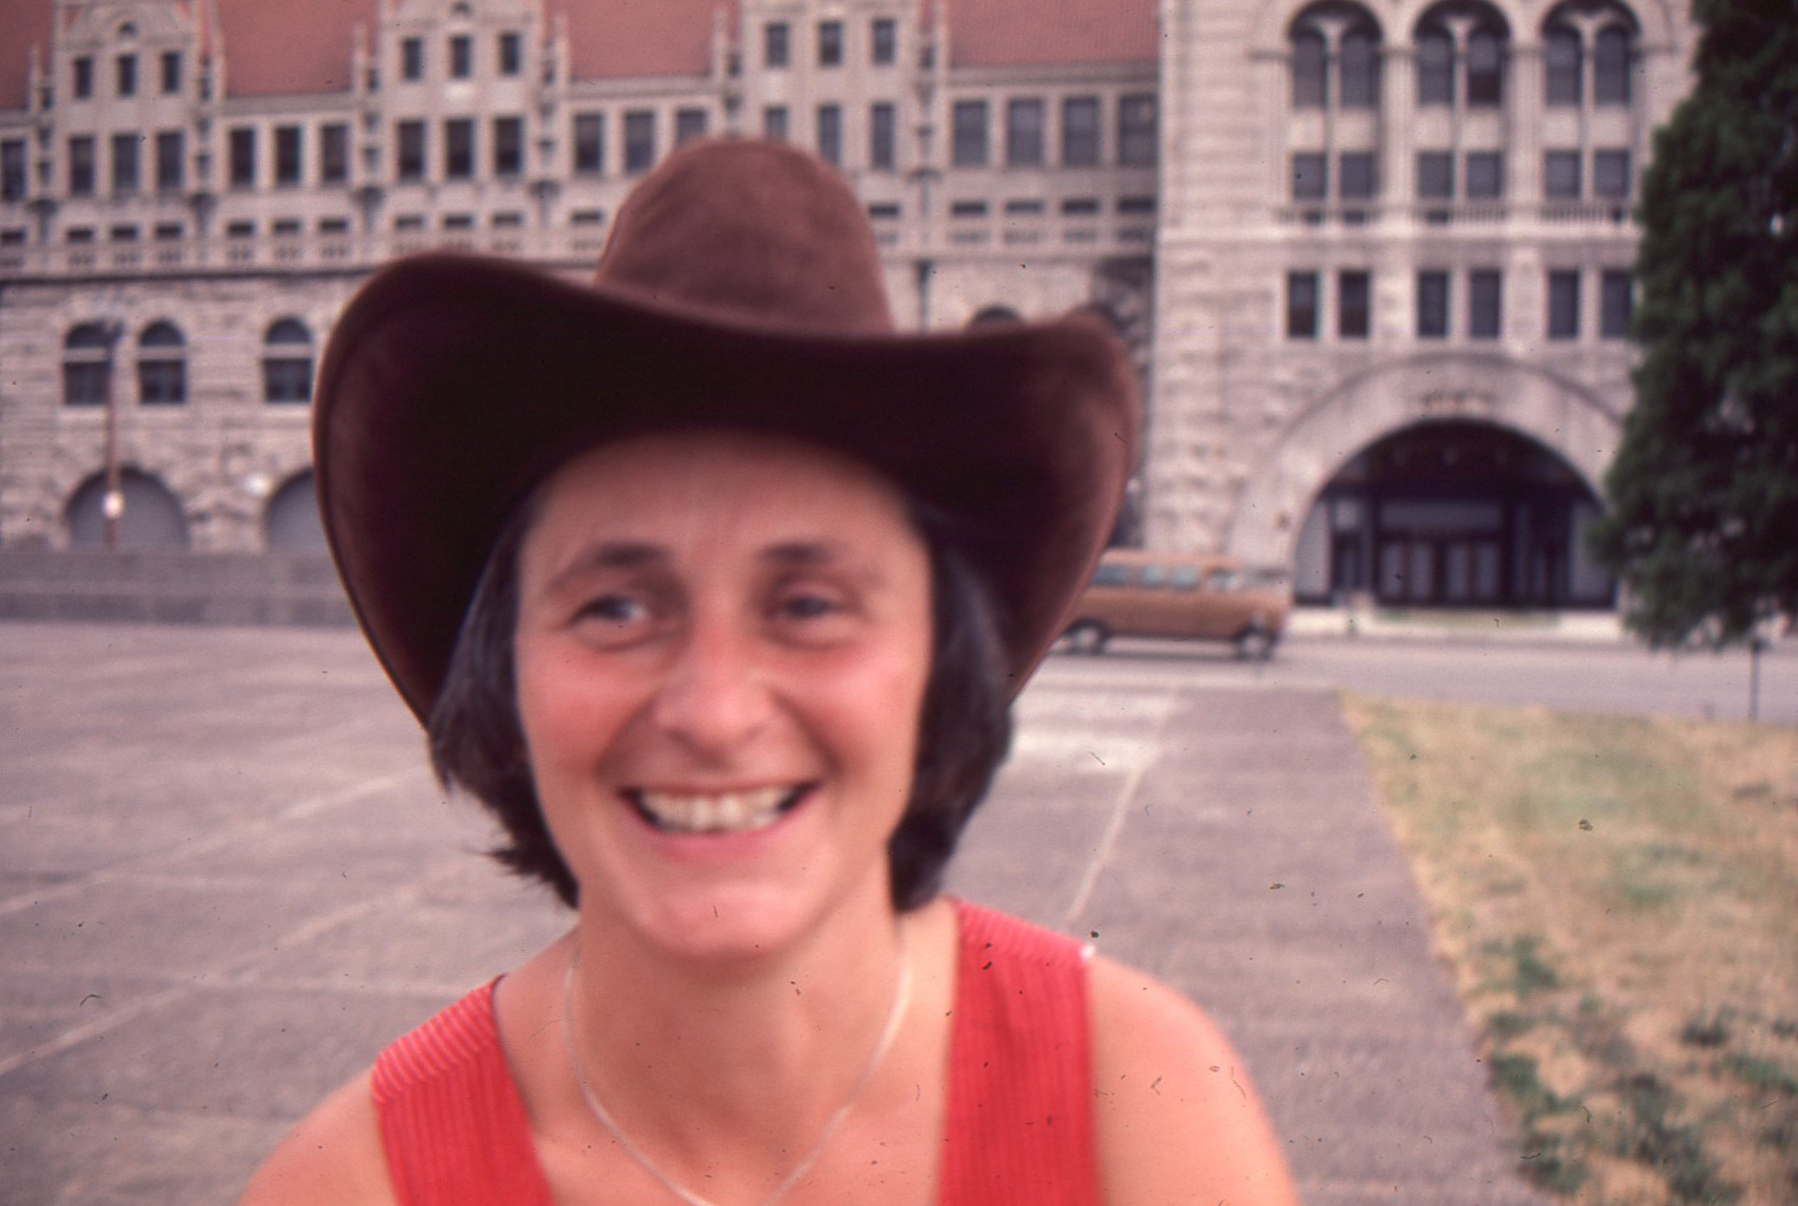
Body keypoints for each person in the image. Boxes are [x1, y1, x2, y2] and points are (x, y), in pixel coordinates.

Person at [241, 138, 1299, 1206]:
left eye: (808, 607)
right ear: (504, 673)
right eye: (615, 608)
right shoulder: (354, 1187)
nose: (713, 713)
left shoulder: (1141, 1113)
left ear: (938, 668)